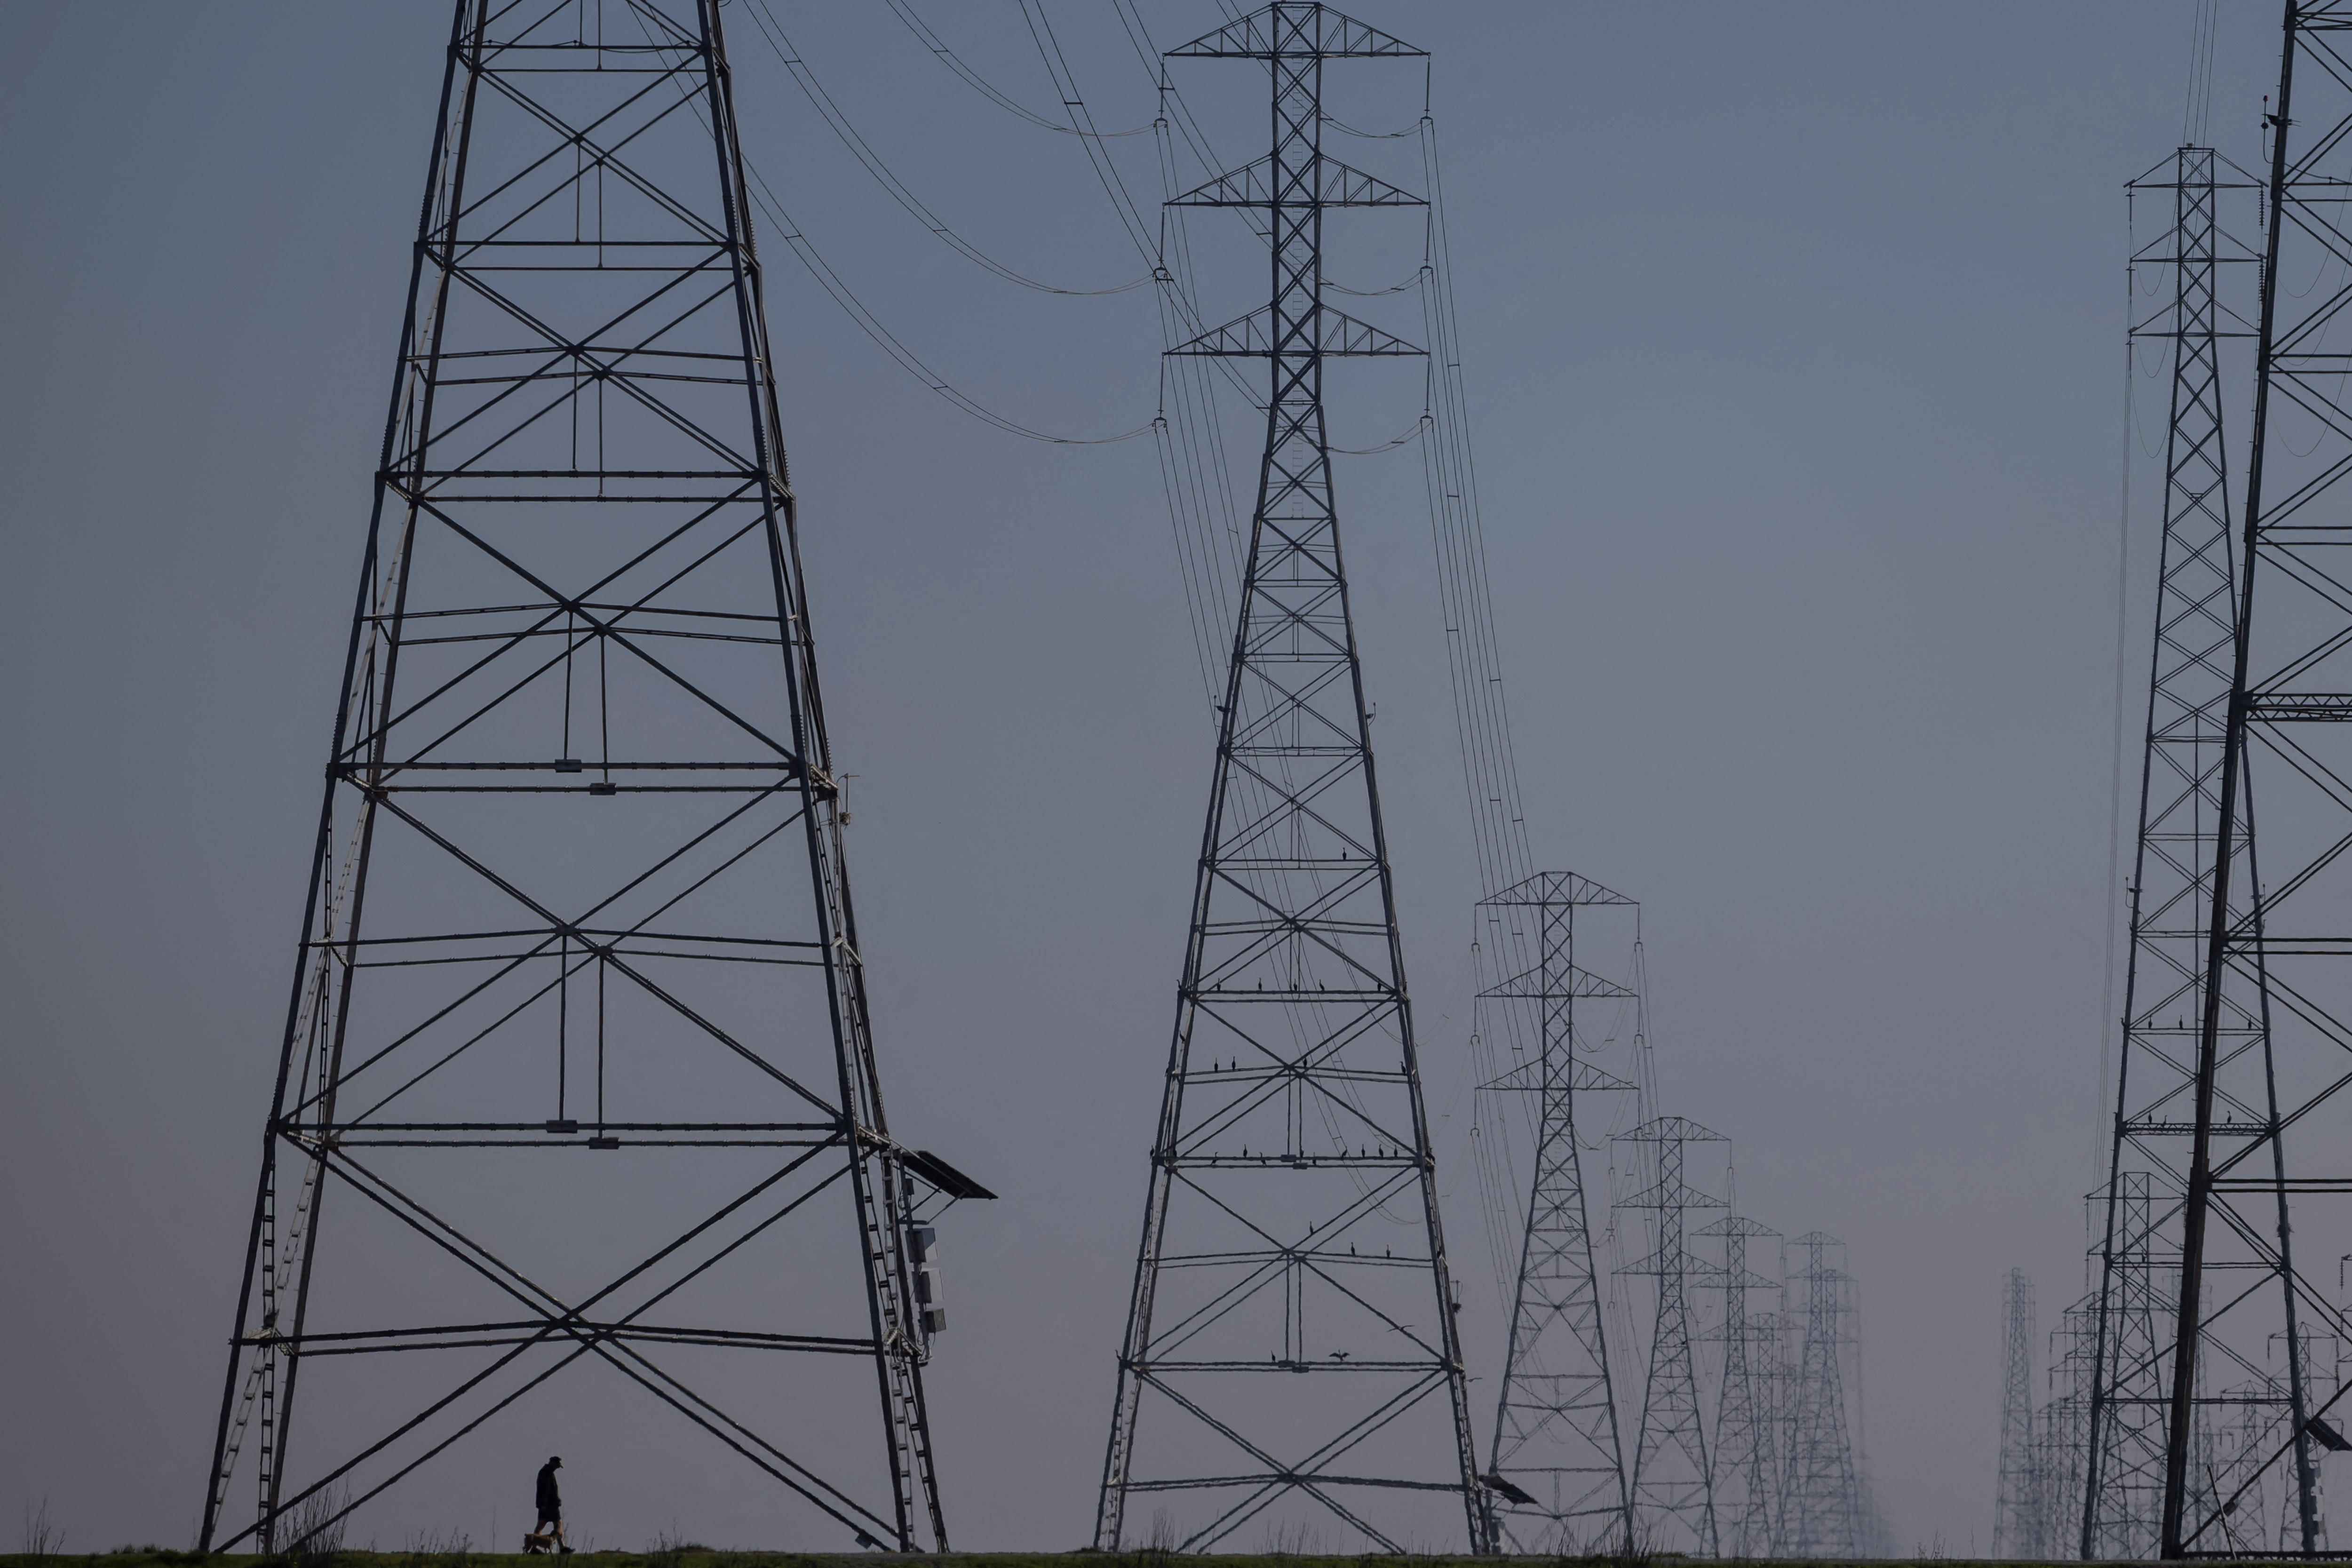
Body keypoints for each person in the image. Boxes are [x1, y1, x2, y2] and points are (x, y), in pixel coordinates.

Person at [534, 1455, 573, 1555]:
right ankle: (562, 1547)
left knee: (542, 1525)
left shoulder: (546, 1472)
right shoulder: (547, 1473)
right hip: (550, 1505)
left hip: (548, 1504)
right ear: (553, 1463)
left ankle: (535, 1547)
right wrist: (545, 1503)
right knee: (554, 1524)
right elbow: (545, 1490)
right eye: (557, 1465)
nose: (557, 1468)